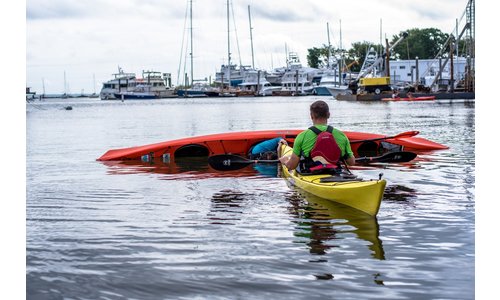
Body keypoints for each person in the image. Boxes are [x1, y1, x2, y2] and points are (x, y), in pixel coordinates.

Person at [279, 100, 355, 172]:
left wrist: (285, 161)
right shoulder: (341, 135)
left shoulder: (302, 136)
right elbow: (351, 162)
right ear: (328, 115)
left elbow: (292, 166)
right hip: (336, 173)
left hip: (310, 174)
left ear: (311, 116)